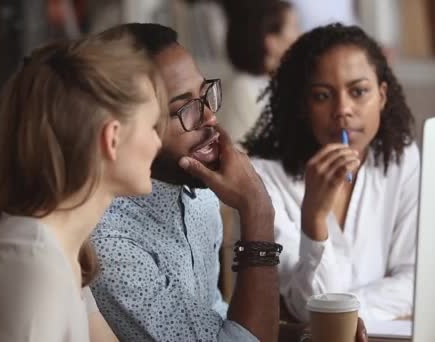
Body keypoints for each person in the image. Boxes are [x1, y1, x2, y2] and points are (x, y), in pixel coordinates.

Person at [90, 23, 368, 342]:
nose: (208, 117)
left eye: (204, 94)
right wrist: (257, 210)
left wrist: (299, 336)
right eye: (183, 108)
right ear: (122, 128)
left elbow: (214, 319)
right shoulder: (112, 244)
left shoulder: (197, 194)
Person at [0, 32, 165, 341]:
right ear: (112, 138)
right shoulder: (32, 264)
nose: (159, 141)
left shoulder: (58, 250)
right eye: (152, 126)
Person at [244, 24, 418, 322]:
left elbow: (416, 281)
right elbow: (309, 307)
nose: (343, 109)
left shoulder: (401, 158)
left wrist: (345, 311)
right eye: (323, 96)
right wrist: (314, 219)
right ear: (303, 105)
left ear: (382, 95)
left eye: (359, 91)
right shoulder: (263, 179)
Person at [218, 0, 300, 143]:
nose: (300, 35)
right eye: (294, 27)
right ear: (271, 41)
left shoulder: (276, 84)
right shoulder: (243, 88)